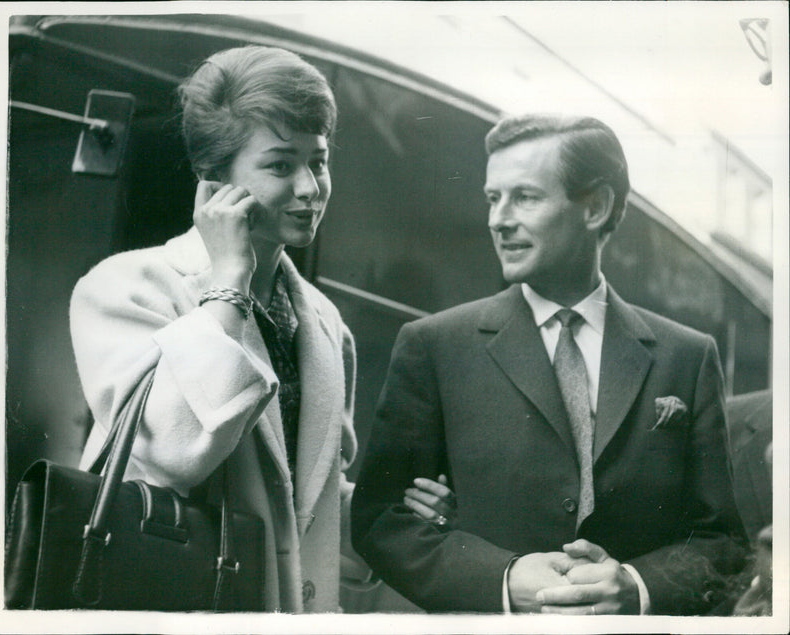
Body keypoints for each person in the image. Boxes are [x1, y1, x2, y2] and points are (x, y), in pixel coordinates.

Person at [70, 45, 450, 613]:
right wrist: (227, 281)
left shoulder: (323, 321)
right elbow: (173, 455)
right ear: (214, 179)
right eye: (280, 164)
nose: (310, 187)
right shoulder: (125, 287)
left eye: (318, 160)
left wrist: (389, 509)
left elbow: (308, 498)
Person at [351, 114, 748, 615]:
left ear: (596, 207)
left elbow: (723, 542)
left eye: (526, 197)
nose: (498, 219)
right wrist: (504, 578)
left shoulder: (686, 357)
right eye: (493, 198)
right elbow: (378, 522)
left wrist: (636, 585)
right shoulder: (434, 345)